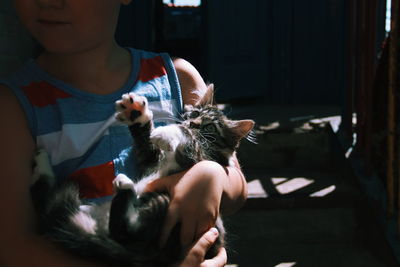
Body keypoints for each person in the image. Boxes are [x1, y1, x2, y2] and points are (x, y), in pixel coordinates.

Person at [0, 0, 248, 266]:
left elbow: (237, 188)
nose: (48, 2)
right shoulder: (12, 107)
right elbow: (14, 247)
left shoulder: (178, 78)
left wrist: (211, 174)